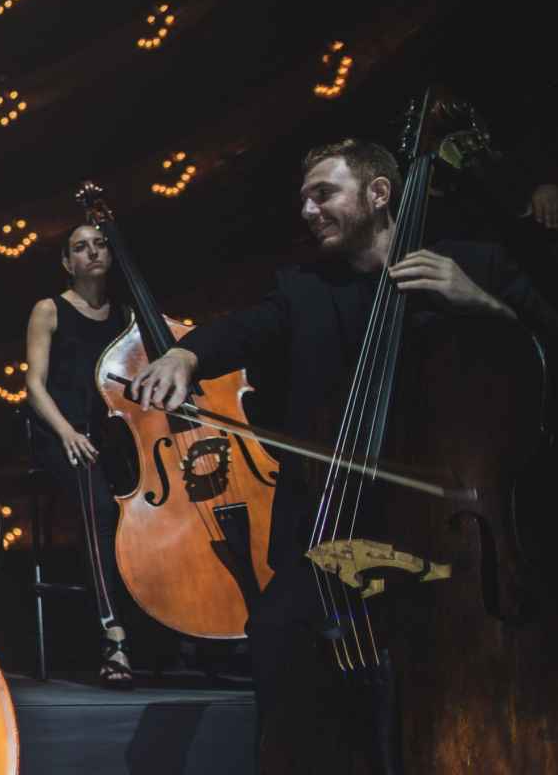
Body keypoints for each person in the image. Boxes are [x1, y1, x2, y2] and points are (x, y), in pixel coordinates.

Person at [127, 138, 557, 770]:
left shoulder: (474, 266)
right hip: (336, 533)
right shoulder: (303, 288)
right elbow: (246, 327)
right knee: (277, 630)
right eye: (303, 197)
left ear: (379, 194)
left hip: (459, 541)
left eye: (323, 193)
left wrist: (481, 304)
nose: (307, 209)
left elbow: (544, 349)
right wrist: (185, 355)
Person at [23, 223, 135, 686]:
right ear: (68, 263)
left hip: (113, 435)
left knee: (141, 514)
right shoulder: (49, 310)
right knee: (100, 508)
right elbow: (33, 386)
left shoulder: (127, 315)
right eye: (80, 248)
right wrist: (67, 432)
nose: (92, 252)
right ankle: (114, 636)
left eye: (100, 244)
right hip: (61, 434)